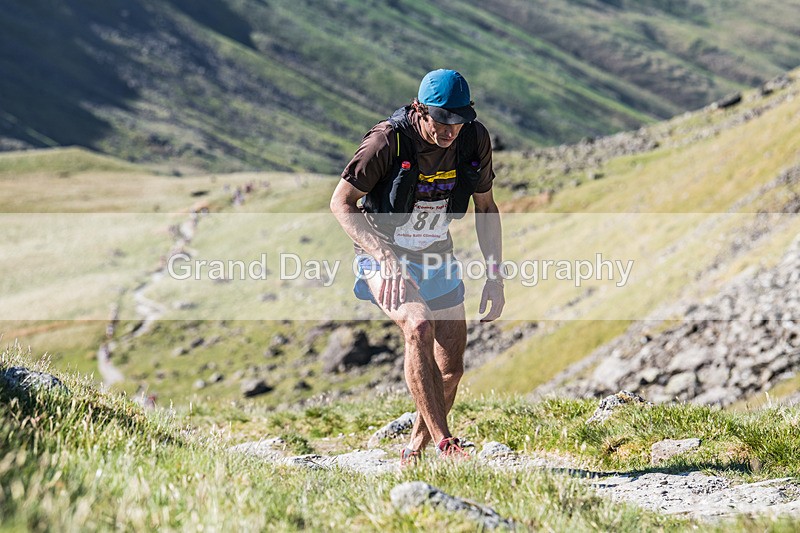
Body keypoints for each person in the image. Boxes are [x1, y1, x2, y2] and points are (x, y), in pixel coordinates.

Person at [330, 69, 505, 465]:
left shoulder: (473, 139)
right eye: (441, 120)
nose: (450, 131)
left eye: (459, 120)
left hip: (436, 254)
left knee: (451, 369)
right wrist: (384, 258)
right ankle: (447, 443)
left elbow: (487, 208)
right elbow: (341, 203)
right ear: (419, 110)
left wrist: (495, 277)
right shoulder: (386, 141)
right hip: (383, 254)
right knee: (418, 326)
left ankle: (414, 448)